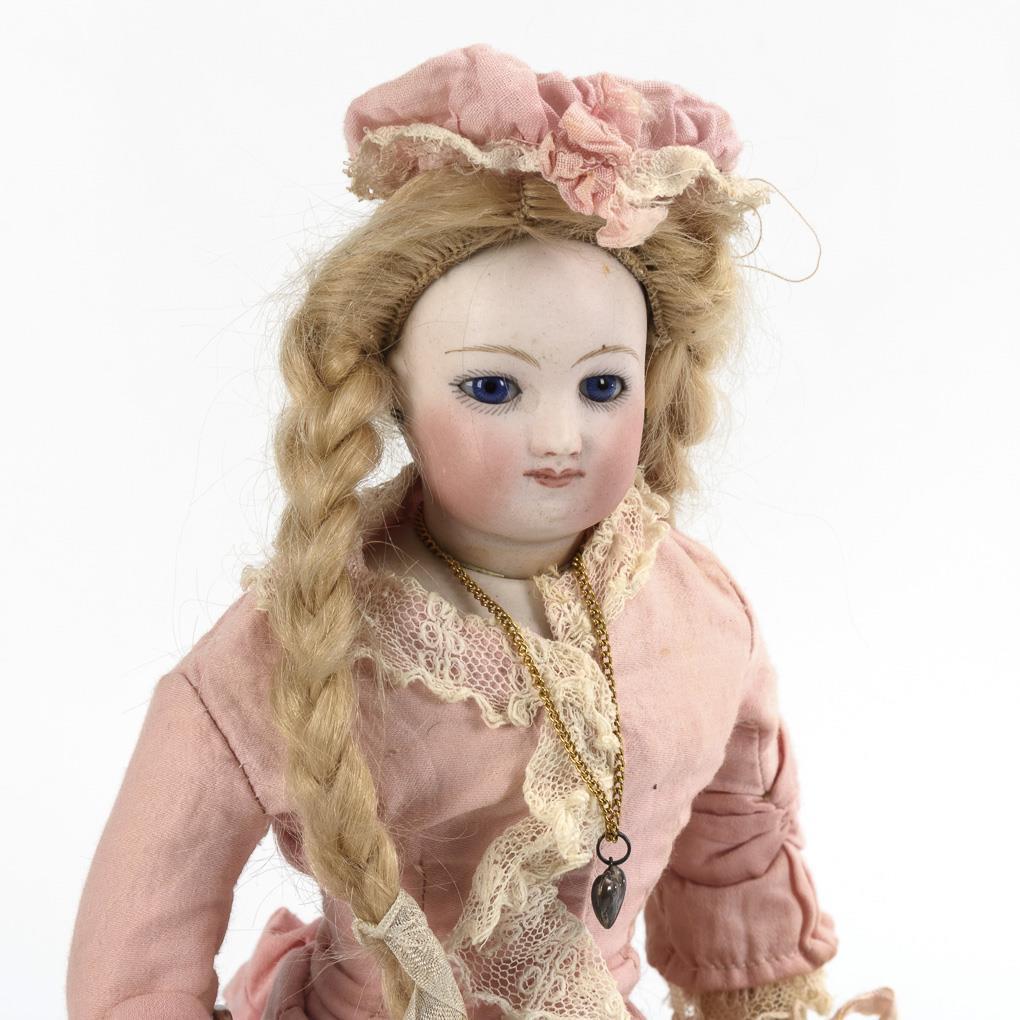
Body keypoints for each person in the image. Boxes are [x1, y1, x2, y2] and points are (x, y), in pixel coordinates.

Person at [66, 43, 897, 1020]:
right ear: (392, 390)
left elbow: (736, 836)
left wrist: (757, 999)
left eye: (602, 385)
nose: (560, 437)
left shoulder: (697, 614)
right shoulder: (300, 644)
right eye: (493, 388)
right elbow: (137, 958)